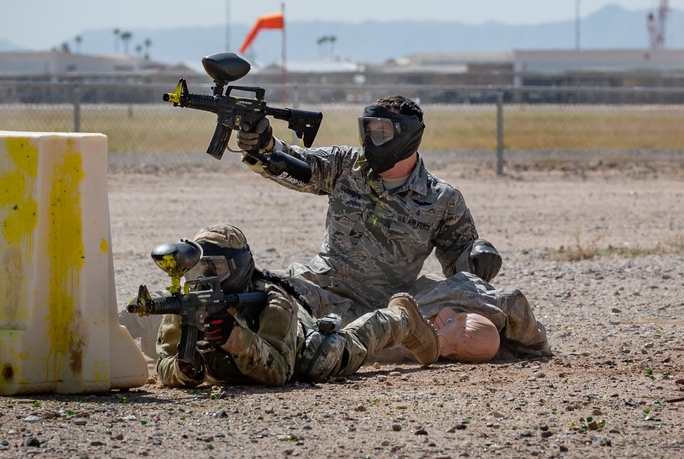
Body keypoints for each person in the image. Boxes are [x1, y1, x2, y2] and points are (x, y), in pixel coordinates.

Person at [236, 95, 551, 359]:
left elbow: (460, 268)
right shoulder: (347, 164)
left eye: (382, 131)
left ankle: (535, 348)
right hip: (321, 290)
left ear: (407, 137)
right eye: (367, 130)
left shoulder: (442, 198)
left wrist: (477, 259)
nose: (372, 139)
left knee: (489, 295)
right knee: (255, 292)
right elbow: (298, 164)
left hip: (387, 307)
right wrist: (264, 146)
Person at [154, 224, 440, 388]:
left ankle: (401, 318)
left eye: (216, 268)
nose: (208, 277)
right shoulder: (190, 303)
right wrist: (186, 370)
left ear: (238, 268)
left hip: (298, 348)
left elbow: (280, 372)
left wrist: (234, 338)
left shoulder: (273, 300)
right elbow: (164, 364)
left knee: (325, 356)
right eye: (201, 268)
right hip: (241, 365)